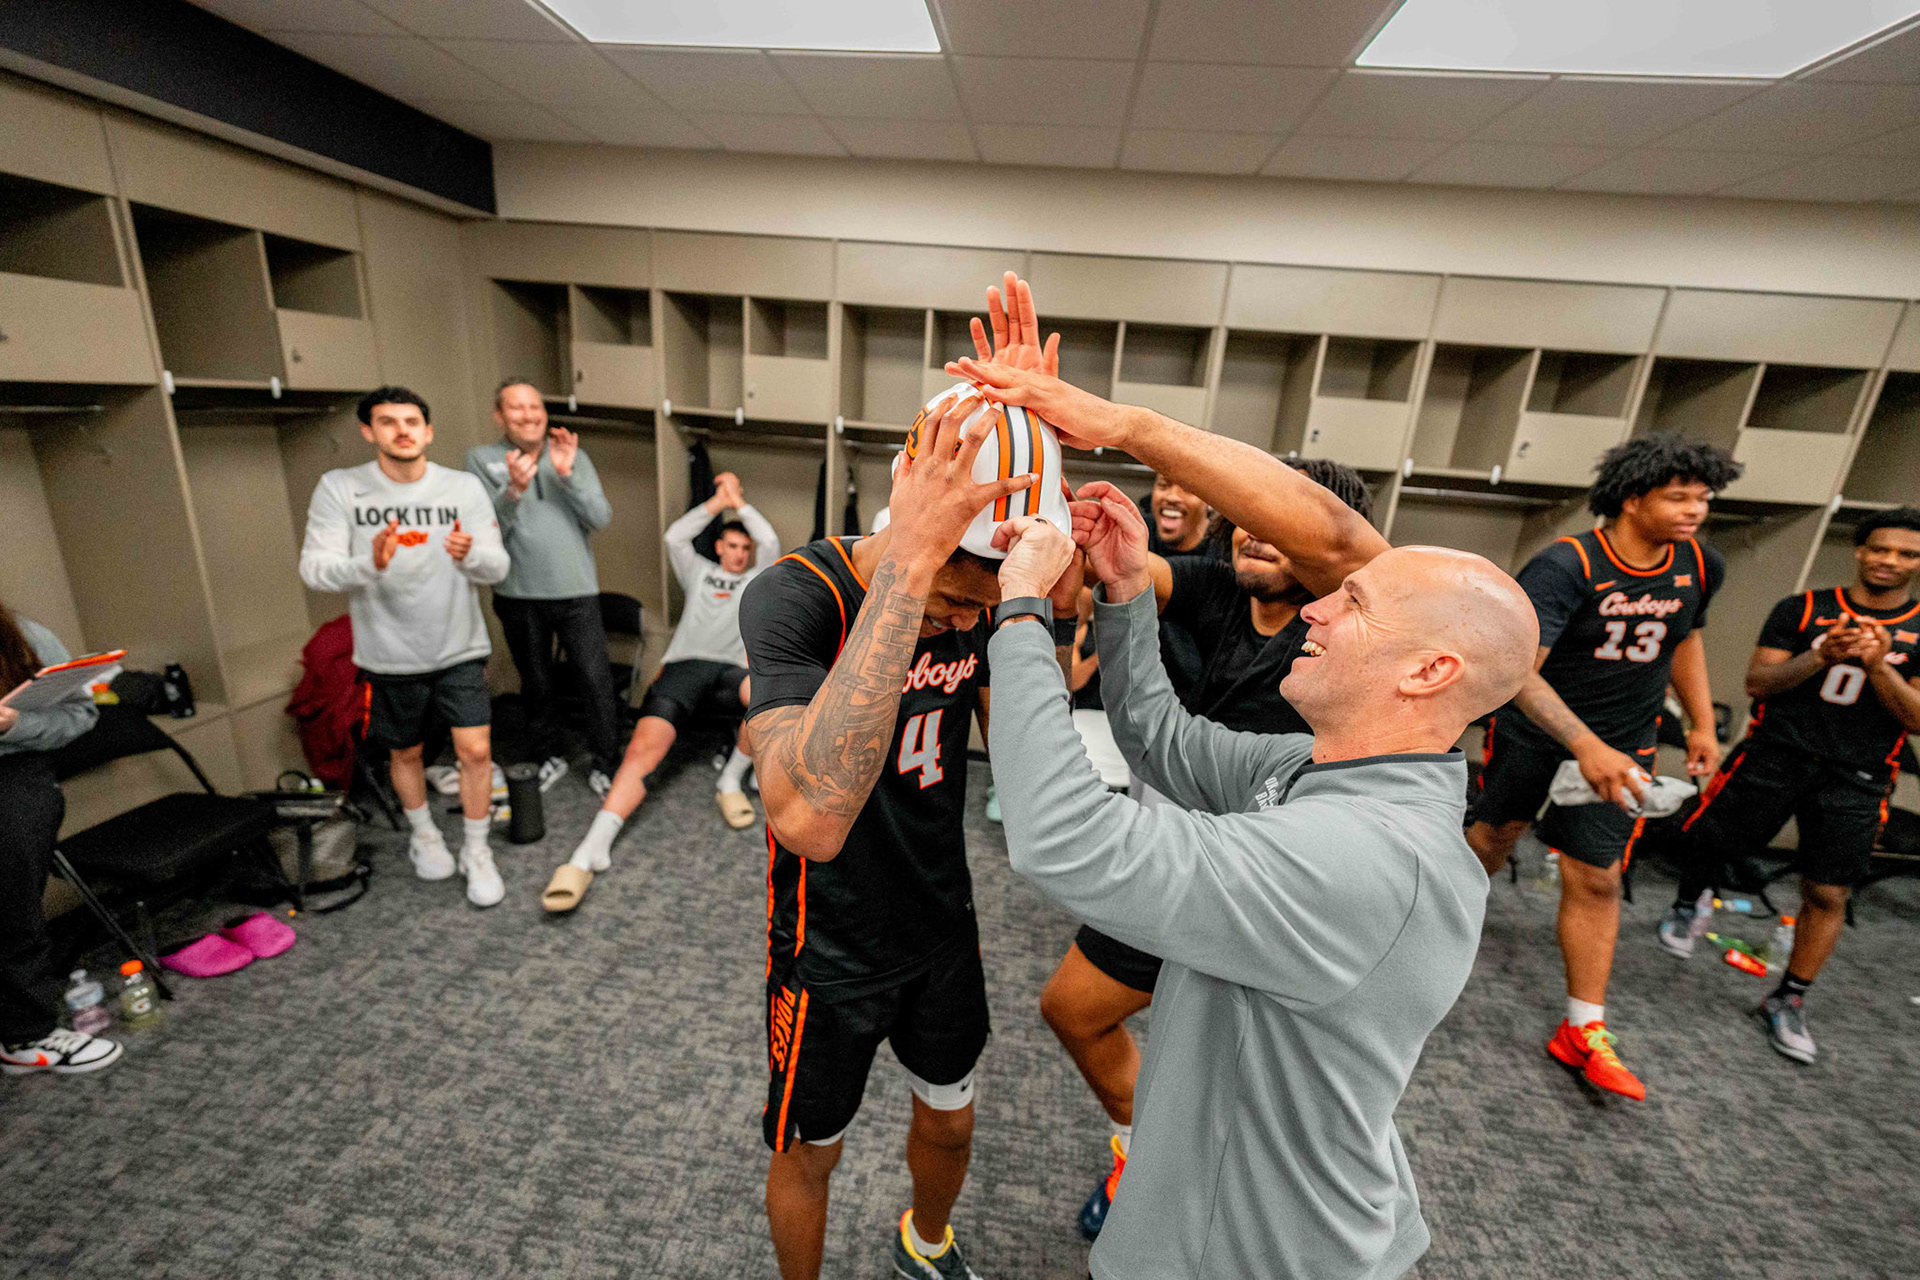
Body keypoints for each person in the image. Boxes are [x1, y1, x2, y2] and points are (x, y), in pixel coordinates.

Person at [949, 352, 1536, 1280]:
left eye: (1351, 601)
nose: (1315, 612)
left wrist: (1022, 614)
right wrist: (1126, 589)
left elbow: (1066, 840)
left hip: (1248, 1256)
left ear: (1429, 674)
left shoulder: (1359, 856)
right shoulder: (1332, 773)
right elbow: (1165, 746)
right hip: (1234, 1211)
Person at [745, 275, 1074, 1280]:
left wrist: (1025, 588)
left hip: (940, 920)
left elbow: (1030, 741)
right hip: (828, 939)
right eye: (951, 591)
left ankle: (925, 1243)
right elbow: (806, 816)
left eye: (984, 602)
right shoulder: (797, 595)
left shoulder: (982, 606)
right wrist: (908, 576)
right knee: (812, 1147)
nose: (963, 619)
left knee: (953, 1110)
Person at [1040, 458, 1378, 1240]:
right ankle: (1142, 1147)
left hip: (1279, 888)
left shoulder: (1351, 626)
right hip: (1184, 857)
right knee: (1072, 1010)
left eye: (1285, 520)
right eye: (1248, 513)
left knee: (1247, 1092)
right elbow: (1135, 568)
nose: (1257, 529)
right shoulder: (1217, 586)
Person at [1463, 436, 1740, 1100]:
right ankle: (1424, 936)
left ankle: (1583, 1027)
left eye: (1703, 497)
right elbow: (1515, 674)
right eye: (1679, 496)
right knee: (1492, 840)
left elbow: (1686, 640)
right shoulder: (1565, 566)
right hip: (1536, 734)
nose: (1695, 509)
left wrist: (1700, 722)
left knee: (1597, 878)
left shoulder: (1701, 564)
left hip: (1624, 746)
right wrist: (1582, 743)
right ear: (1633, 496)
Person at [1660, 507, 1920, 1063]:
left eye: (1906, 554)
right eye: (1880, 549)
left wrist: (1879, 666)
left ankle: (1789, 998)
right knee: (1715, 840)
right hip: (1776, 754)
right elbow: (1759, 682)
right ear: (1860, 550)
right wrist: (1820, 655)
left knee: (1828, 891)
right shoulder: (1804, 609)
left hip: (1859, 775)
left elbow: (1917, 717)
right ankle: (1687, 905)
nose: (1890, 561)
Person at [299, 386, 510, 907]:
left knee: (476, 751)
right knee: (407, 750)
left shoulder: (460, 488)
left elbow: (497, 565)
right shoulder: (341, 489)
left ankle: (478, 851)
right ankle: (424, 835)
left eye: (412, 421)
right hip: (388, 652)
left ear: (428, 431)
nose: (402, 430)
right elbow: (314, 570)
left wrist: (471, 557)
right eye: (388, 421)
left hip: (459, 645)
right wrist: (367, 564)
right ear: (369, 431)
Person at [543, 471, 778, 912]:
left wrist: (739, 502)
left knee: (767, 697)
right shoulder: (700, 573)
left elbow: (769, 541)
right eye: (732, 545)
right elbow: (675, 537)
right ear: (720, 547)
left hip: (731, 669)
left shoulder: (757, 578)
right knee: (643, 752)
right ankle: (592, 846)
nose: (740, 554)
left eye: (744, 549)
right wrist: (717, 503)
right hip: (685, 666)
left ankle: (731, 778)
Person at [465, 381, 619, 797]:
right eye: (517, 408)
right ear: (500, 416)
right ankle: (548, 754)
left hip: (577, 591)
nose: (529, 414)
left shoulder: (572, 455)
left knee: (595, 679)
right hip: (518, 593)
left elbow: (600, 517)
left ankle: (606, 761)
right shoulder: (481, 460)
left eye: (535, 406)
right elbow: (486, 528)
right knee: (536, 682)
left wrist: (567, 476)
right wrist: (512, 489)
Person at [0, 604, 121, 1077]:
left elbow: (79, 715)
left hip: (11, 776)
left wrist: (15, 725)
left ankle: (25, 1036)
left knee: (9, 880)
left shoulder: (22, 638)